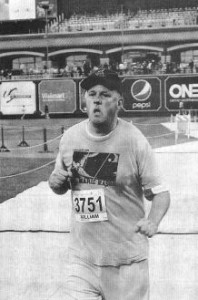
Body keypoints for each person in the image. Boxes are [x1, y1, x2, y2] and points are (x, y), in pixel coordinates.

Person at [48, 69, 170, 300]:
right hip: (82, 259)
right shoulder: (70, 138)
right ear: (84, 100)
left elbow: (161, 193)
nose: (97, 99)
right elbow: (60, 183)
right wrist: (55, 183)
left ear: (119, 102)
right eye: (91, 93)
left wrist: (153, 221)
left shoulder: (134, 140)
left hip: (127, 263)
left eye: (105, 94)